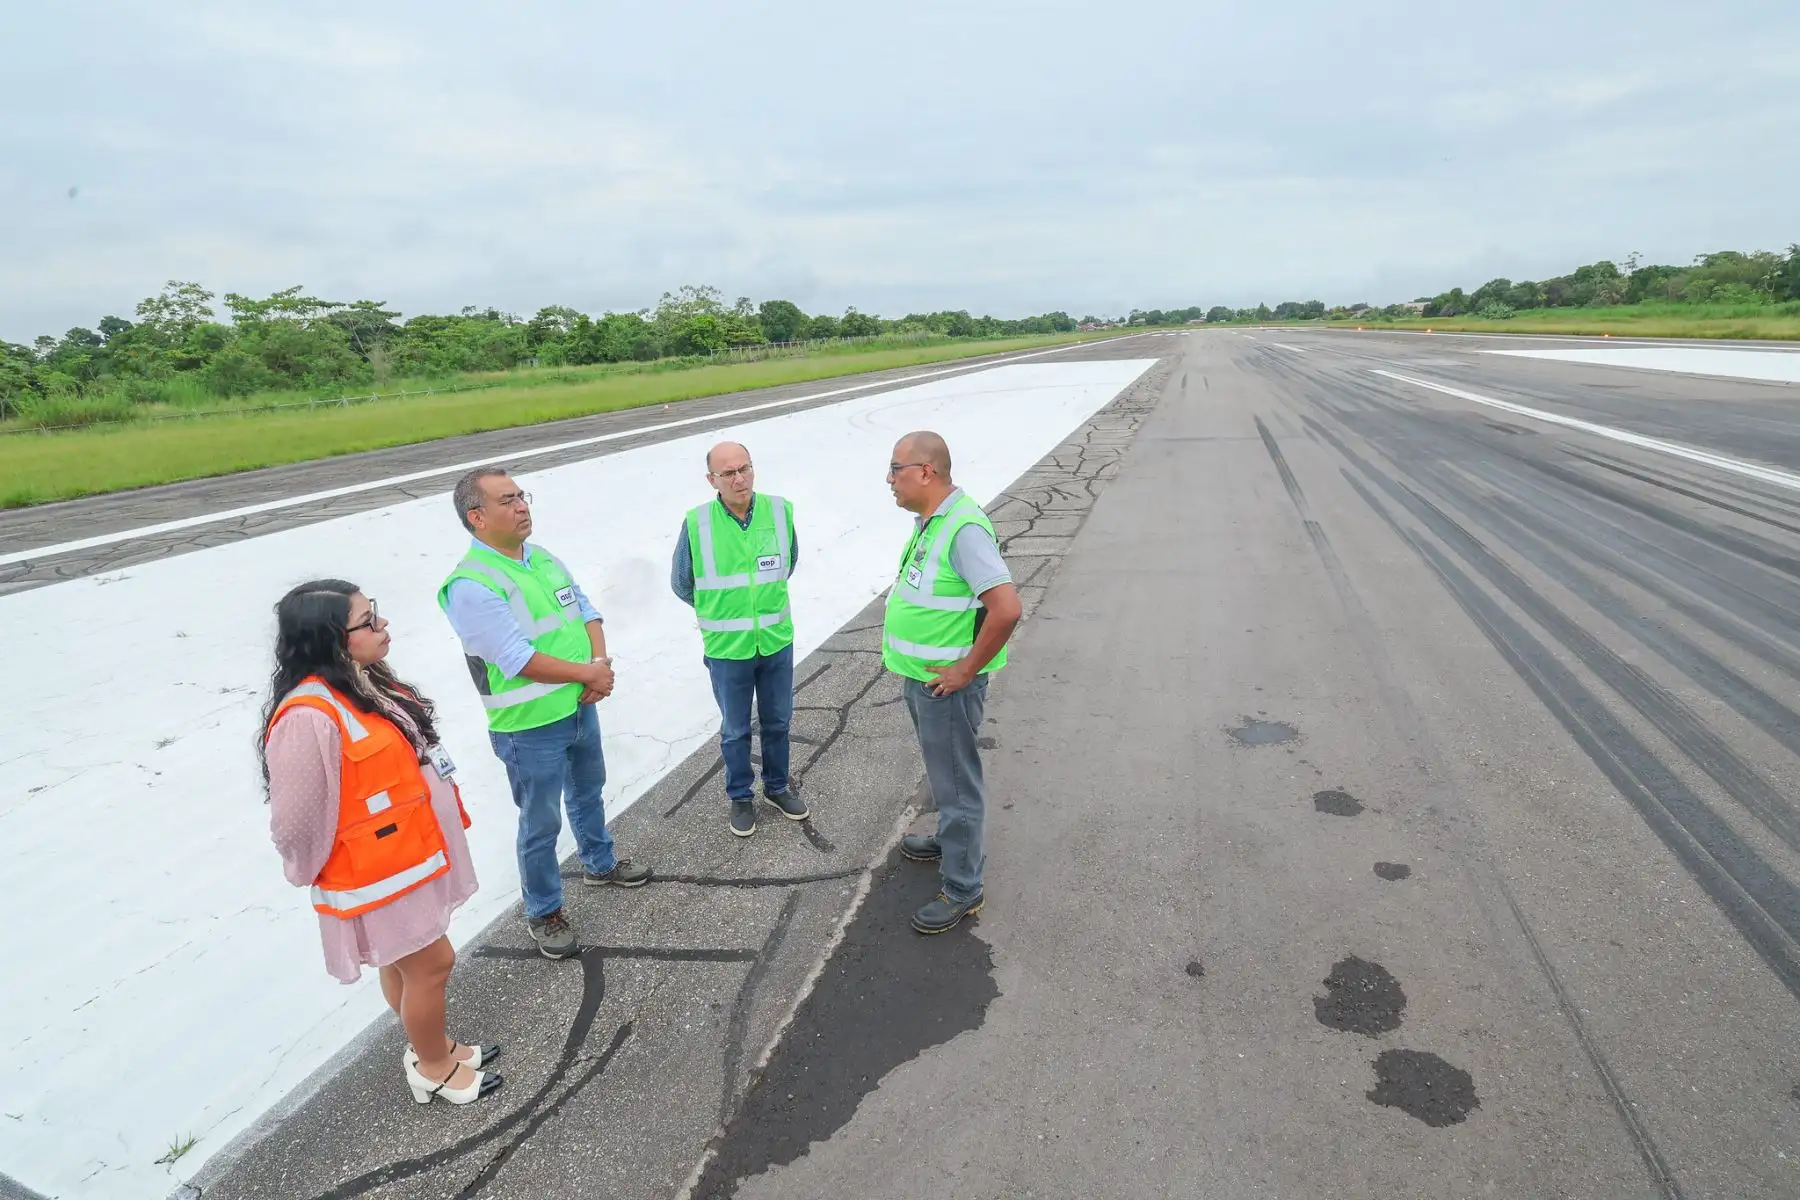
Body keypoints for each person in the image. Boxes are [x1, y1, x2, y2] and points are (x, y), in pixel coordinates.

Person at [261, 579, 502, 1107]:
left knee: (405, 962)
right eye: (367, 621)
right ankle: (434, 1068)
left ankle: (434, 1046)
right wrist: (312, 869)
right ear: (330, 639)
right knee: (432, 964)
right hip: (378, 871)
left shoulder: (363, 682)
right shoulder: (308, 716)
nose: (382, 626)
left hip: (407, 858)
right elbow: (295, 823)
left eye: (378, 614)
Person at [437, 467, 651, 961]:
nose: (522, 506)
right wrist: (588, 675)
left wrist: (596, 667)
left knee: (588, 791)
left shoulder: (542, 558)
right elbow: (516, 659)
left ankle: (599, 862)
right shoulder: (471, 585)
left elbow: (586, 610)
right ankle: (544, 909)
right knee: (541, 822)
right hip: (529, 728)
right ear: (477, 517)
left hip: (577, 706)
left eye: (522, 496)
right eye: (507, 500)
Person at [882, 432, 1022, 934]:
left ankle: (963, 887)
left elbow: (1006, 609)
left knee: (958, 782)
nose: (889, 480)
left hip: (948, 686)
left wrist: (964, 671)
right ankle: (950, 837)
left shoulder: (962, 528)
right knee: (945, 774)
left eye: (895, 469)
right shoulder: (932, 520)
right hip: (924, 679)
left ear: (926, 471)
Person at [671, 440, 806, 837]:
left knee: (778, 720)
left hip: (775, 639)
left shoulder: (780, 511)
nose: (738, 478)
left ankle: (777, 787)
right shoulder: (697, 523)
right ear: (712, 479)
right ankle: (741, 796)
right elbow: (682, 583)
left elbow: (789, 562)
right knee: (735, 729)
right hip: (728, 649)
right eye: (728, 472)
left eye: (744, 468)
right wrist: (725, 611)